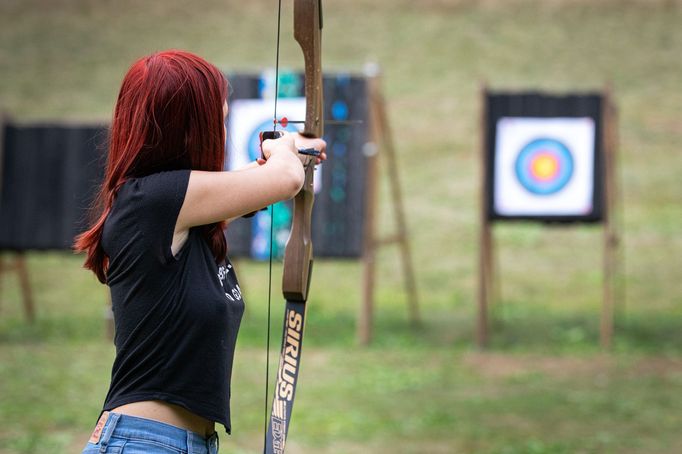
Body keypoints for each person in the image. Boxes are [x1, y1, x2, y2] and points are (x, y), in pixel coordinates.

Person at [75, 49, 326, 454]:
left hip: (185, 443)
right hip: (145, 443)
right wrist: (284, 156)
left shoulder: (171, 211)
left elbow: (258, 180)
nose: (224, 129)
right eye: (219, 118)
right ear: (189, 127)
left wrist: (290, 149)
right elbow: (282, 179)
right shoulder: (153, 200)